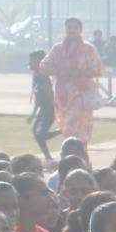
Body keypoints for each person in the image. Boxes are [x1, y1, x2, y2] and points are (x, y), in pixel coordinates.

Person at [39, 18, 105, 150]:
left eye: (75, 28)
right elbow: (43, 67)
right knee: (67, 132)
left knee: (75, 133)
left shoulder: (88, 49)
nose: (72, 30)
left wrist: (77, 73)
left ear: (80, 30)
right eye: (69, 27)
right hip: (62, 98)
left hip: (80, 96)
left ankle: (78, 156)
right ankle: (76, 157)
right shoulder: (57, 49)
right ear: (65, 29)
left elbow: (98, 70)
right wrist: (59, 72)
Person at [28, 49, 58, 160]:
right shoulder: (36, 75)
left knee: (40, 134)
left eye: (32, 61)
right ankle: (47, 156)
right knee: (36, 132)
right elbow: (38, 97)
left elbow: (50, 92)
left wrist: (56, 108)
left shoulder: (42, 76)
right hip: (43, 109)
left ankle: (62, 131)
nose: (30, 63)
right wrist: (33, 114)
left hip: (49, 109)